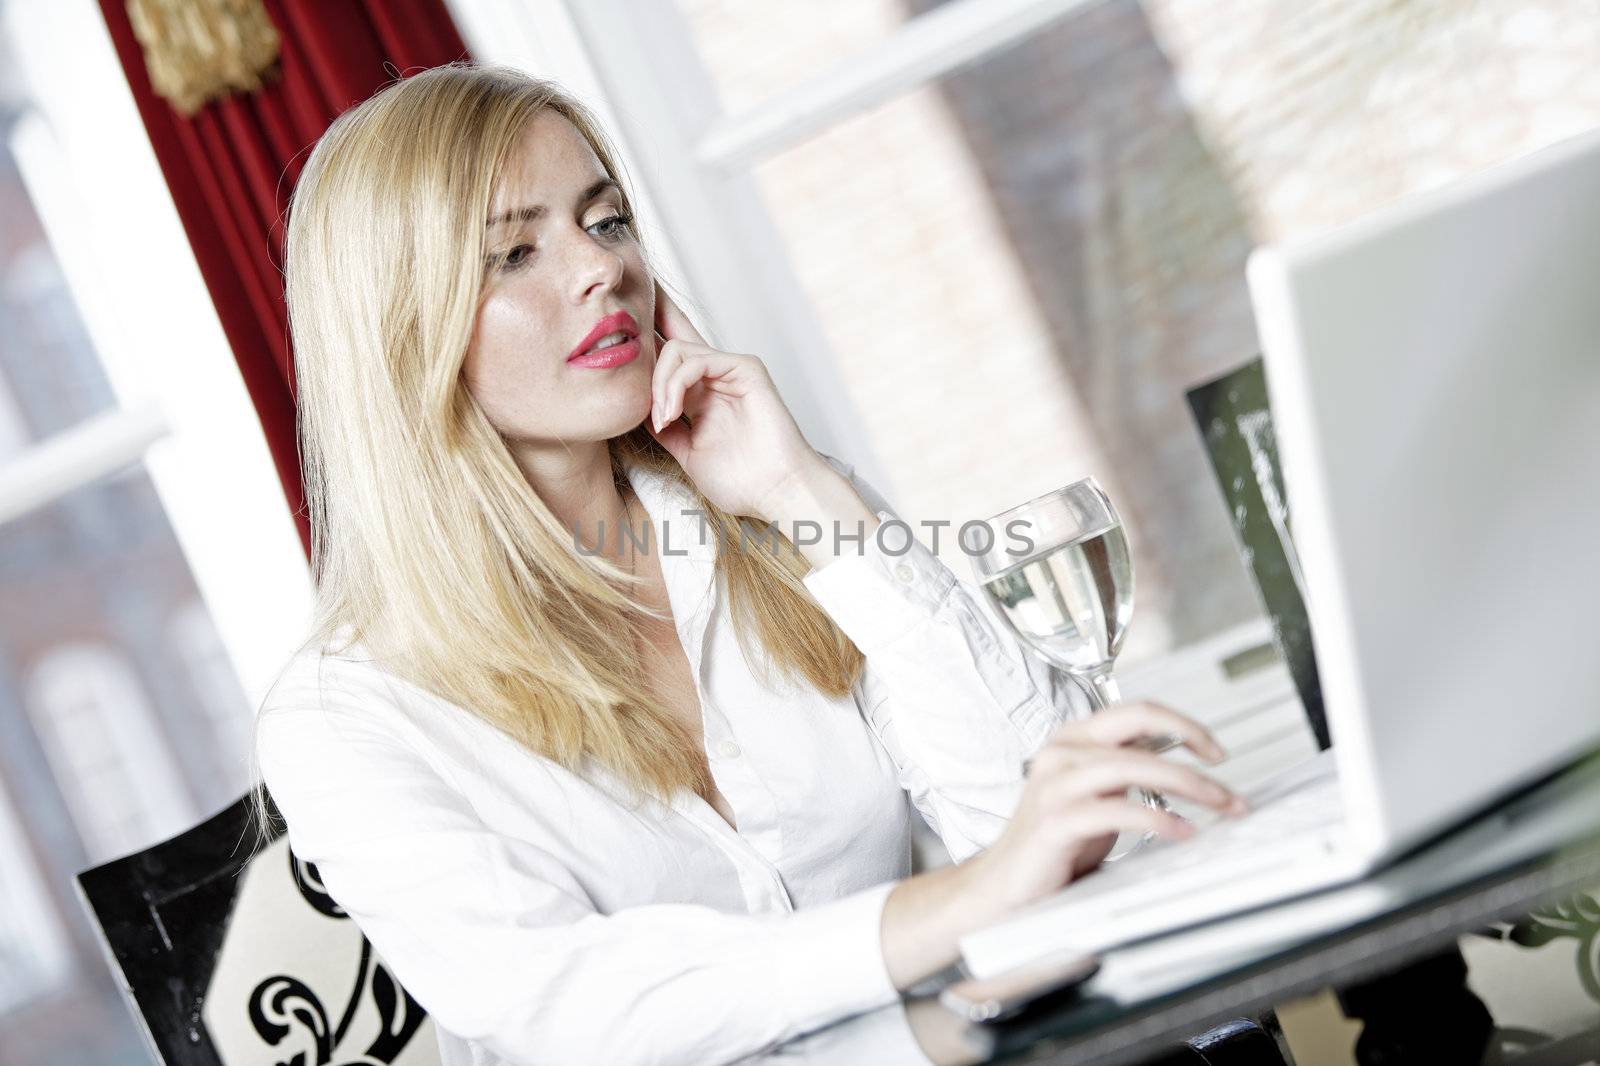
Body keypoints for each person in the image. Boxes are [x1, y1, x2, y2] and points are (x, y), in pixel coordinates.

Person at [252, 61, 1248, 1066]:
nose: (604, 271)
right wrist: (958, 909)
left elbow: (1051, 813)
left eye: (605, 222)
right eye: (513, 252)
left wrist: (803, 494)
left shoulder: (770, 523)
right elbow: (577, 1013)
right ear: (401, 334)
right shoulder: (345, 719)